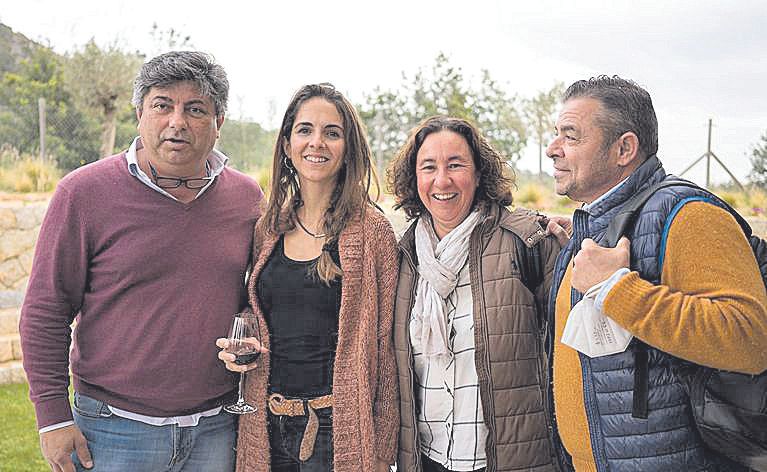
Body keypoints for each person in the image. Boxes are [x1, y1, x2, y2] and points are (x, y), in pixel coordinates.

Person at [19, 51, 263, 472]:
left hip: (218, 429)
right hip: (111, 432)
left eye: (196, 109)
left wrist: (250, 322)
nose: (177, 121)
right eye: (162, 105)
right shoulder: (83, 193)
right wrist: (53, 417)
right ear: (139, 114)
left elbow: (253, 295)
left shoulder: (246, 200)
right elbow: (46, 310)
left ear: (218, 123)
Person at [545, 75, 767, 471]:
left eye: (571, 136)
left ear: (624, 148)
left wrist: (616, 289)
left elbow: (750, 338)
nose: (552, 149)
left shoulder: (689, 215)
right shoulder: (600, 224)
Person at [216, 83, 398, 472]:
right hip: (266, 421)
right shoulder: (269, 227)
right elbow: (264, 311)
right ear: (286, 144)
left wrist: (381, 452)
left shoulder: (372, 232)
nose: (317, 142)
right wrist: (245, 338)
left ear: (348, 148)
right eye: (305, 130)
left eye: (332, 133)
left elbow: (386, 350)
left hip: (337, 429)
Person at [387, 115, 563, 472]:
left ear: (479, 173)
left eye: (456, 165)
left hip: (507, 460)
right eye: (429, 167)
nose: (442, 180)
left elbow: (572, 346)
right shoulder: (404, 257)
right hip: (426, 459)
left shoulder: (526, 241)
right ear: (414, 178)